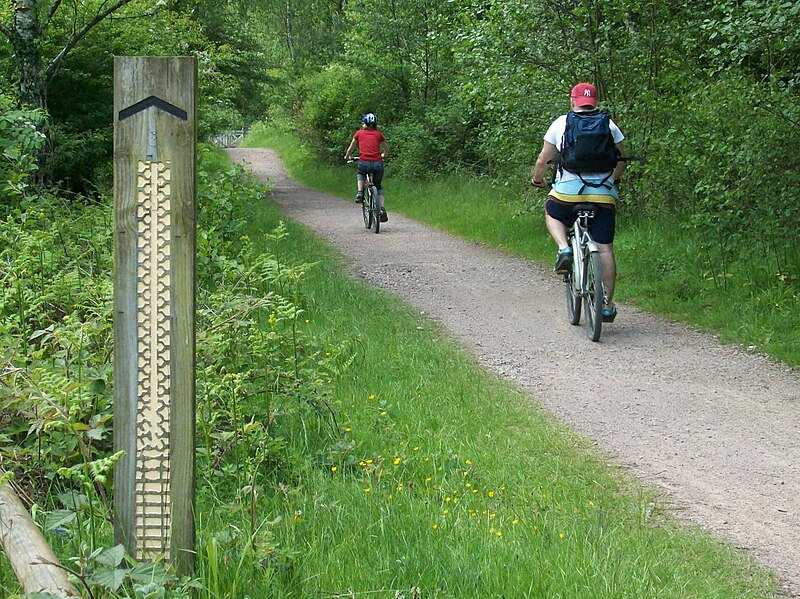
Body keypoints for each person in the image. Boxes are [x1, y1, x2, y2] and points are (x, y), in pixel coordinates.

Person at [531, 82, 626, 323]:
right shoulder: (609, 125)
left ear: (572, 100)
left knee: (552, 212)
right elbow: (622, 160)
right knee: (605, 248)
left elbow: (543, 160)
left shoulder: (561, 123)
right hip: (603, 196)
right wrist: (610, 182)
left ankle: (564, 247)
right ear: (594, 102)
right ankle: (607, 304)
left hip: (567, 194)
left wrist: (537, 180)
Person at [344, 113, 390, 222]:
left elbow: (351, 147)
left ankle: (360, 193)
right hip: (378, 164)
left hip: (364, 162)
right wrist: (384, 155)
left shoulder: (359, 133)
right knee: (378, 186)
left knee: (361, 174)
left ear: (364, 123)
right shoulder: (379, 134)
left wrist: (347, 156)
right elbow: (386, 150)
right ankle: (382, 209)